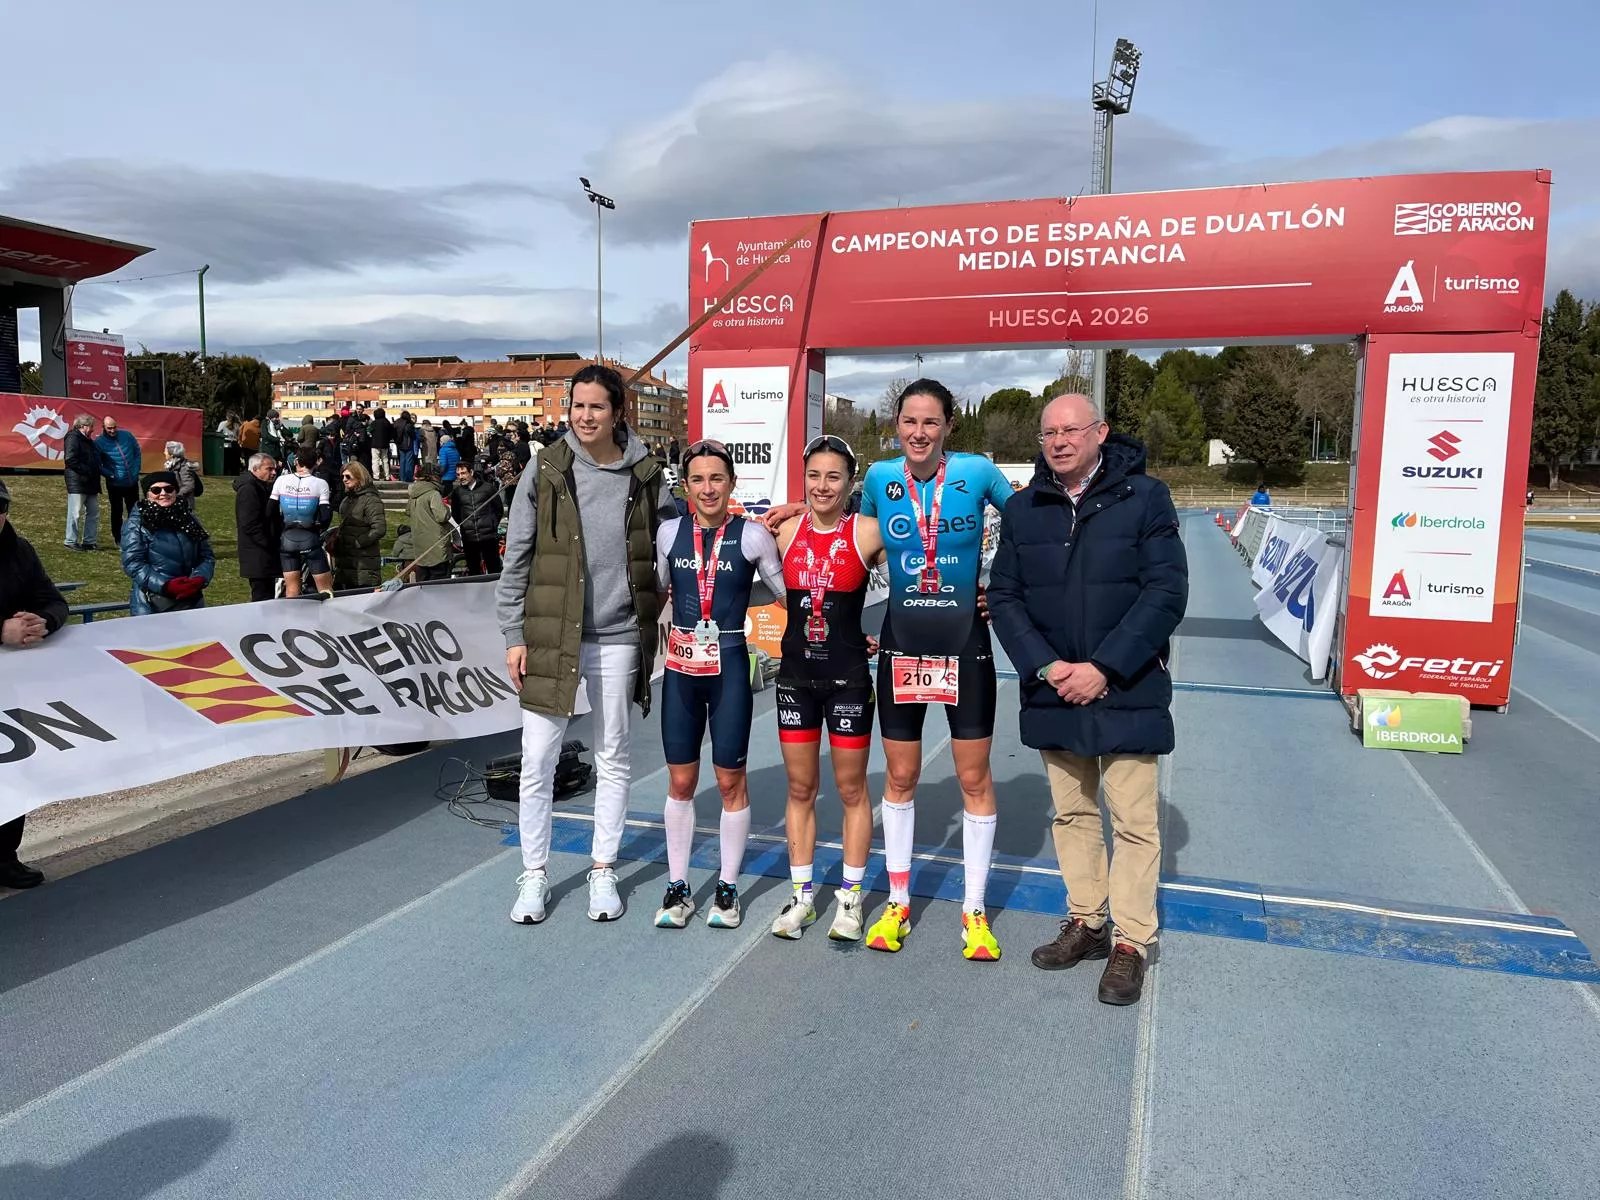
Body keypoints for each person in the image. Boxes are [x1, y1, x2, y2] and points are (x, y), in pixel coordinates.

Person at [988, 393, 1188, 1007]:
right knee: (1072, 815)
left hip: (1126, 686)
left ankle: (1130, 940)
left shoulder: (1146, 497)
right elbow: (1004, 597)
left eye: (1071, 429)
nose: (1059, 441)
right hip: (1054, 689)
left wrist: (1103, 667)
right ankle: (1088, 919)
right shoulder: (1023, 509)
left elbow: (1165, 591)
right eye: (1048, 432)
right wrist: (1048, 667)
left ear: (1100, 432)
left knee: (1133, 821)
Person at [497, 363, 676, 925]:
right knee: (537, 760)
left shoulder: (645, 472)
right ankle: (534, 875)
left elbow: (674, 541)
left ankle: (603, 870)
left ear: (618, 411)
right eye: (577, 406)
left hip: (620, 634)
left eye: (597, 406)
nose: (585, 416)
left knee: (613, 754)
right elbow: (517, 556)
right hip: (551, 633)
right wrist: (513, 634)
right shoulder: (546, 467)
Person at [653, 439, 786, 932]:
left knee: (730, 781)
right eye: (698, 480)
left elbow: (786, 593)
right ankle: (679, 883)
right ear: (685, 486)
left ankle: (727, 886)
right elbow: (658, 588)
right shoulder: (669, 533)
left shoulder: (752, 536)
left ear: (732, 484)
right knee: (681, 781)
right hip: (682, 670)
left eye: (717, 479)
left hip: (729, 663)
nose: (707, 488)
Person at [768, 435, 886, 941]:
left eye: (833, 476)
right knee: (800, 789)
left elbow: (921, 562)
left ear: (850, 482)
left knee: (852, 790)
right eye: (813, 476)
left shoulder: (868, 532)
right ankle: (802, 898)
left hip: (848, 680)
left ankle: (851, 899)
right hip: (795, 679)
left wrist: (895, 635)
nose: (822, 486)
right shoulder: (784, 531)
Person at [0, 477, 70, 889]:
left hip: (13, 683)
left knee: (14, 768)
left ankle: (4, 855)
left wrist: (46, 621)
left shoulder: (20, 550)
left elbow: (53, 599)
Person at [121, 471, 215, 615]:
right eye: (156, 490)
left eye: (169, 489)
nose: (163, 493)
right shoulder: (136, 524)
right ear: (147, 494)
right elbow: (133, 563)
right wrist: (166, 585)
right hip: (154, 604)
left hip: (192, 600)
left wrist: (199, 578)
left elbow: (206, 555)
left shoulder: (188, 519)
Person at [270, 448, 335, 598]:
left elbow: (270, 511)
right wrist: (315, 526)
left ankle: (291, 620)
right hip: (310, 538)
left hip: (287, 538)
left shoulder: (281, 480)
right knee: (325, 590)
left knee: (291, 590)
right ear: (316, 464)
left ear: (296, 462)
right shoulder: (321, 483)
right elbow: (325, 516)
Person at [234, 452, 283, 601]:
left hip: (262, 554)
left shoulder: (262, 487)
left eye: (275, 469)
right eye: (269, 469)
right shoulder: (249, 490)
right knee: (262, 598)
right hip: (258, 555)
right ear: (255, 469)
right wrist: (270, 543)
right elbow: (249, 524)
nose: (274, 472)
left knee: (267, 595)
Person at [330, 461, 387, 590]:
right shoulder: (347, 499)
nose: (344, 480)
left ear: (359, 476)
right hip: (345, 562)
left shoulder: (370, 500)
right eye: (343, 476)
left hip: (364, 563)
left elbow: (379, 528)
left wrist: (359, 542)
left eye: (348, 476)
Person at [94, 414, 143, 544]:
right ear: (103, 427)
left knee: (135, 510)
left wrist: (136, 469)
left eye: (114, 427)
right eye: (109, 428)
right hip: (114, 484)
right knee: (117, 511)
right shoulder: (99, 443)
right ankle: (118, 538)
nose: (112, 430)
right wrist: (110, 475)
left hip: (131, 481)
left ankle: (136, 535)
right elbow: (97, 464)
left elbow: (137, 452)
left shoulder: (127, 435)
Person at [451, 460, 503, 575]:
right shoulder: (457, 492)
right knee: (474, 570)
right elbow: (455, 513)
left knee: (494, 569)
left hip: (488, 536)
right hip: (469, 538)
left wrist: (492, 524)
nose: (461, 477)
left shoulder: (488, 488)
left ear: (471, 472)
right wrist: (465, 526)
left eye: (464, 473)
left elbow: (498, 509)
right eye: (458, 474)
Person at [404, 461, 453, 582]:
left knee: (423, 582)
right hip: (436, 546)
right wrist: (447, 508)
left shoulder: (414, 494)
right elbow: (442, 516)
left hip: (420, 544)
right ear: (432, 477)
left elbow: (408, 511)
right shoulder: (433, 493)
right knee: (439, 584)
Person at [63, 413, 102, 551]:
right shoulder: (73, 437)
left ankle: (89, 541)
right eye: (91, 426)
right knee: (75, 513)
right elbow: (70, 459)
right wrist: (87, 470)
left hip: (90, 482)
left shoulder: (87, 440)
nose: (93, 429)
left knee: (93, 511)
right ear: (84, 426)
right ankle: (70, 540)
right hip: (78, 482)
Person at [164, 441, 203, 509]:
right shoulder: (170, 465)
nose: (164, 453)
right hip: (175, 502)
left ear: (172, 454)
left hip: (185, 504)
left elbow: (189, 486)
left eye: (166, 451)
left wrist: (176, 496)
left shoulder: (185, 467)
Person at [370, 407, 393, 481]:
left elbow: (369, 431)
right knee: (385, 460)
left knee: (375, 460)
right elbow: (390, 433)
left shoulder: (374, 423)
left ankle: (376, 476)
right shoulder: (387, 422)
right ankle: (387, 476)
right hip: (385, 444)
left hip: (375, 444)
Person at [219, 411, 243, 477]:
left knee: (226, 459)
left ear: (227, 416)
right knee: (235, 460)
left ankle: (225, 472)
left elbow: (218, 433)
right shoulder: (237, 425)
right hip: (234, 444)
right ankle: (234, 473)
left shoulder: (222, 423)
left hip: (226, 443)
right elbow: (239, 435)